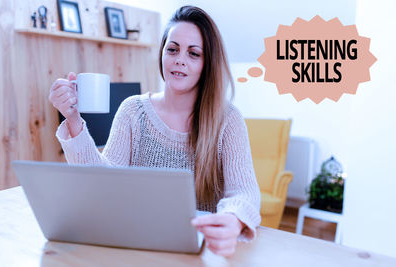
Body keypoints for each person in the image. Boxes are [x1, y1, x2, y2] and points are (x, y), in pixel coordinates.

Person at [48, 5, 261, 257]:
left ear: (208, 63)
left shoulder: (228, 120)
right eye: (172, 49)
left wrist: (233, 220)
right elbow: (104, 180)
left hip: (201, 254)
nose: (180, 59)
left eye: (194, 53)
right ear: (162, 54)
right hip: (136, 246)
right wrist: (72, 117)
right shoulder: (132, 110)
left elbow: (245, 193)